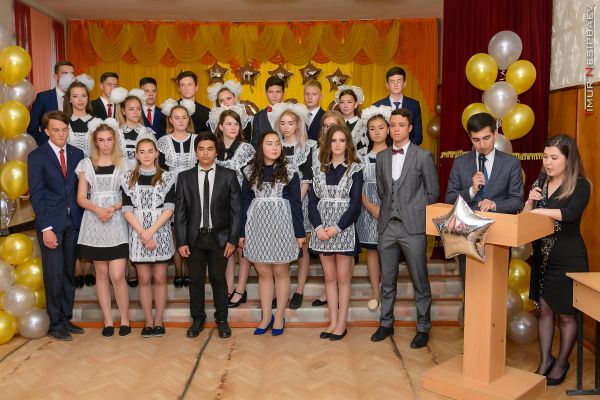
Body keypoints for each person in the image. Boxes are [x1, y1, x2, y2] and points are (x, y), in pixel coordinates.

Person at [524, 134, 591, 386]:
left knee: (566, 315)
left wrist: (541, 209)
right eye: (545, 157)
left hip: (568, 256)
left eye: (554, 157)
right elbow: (526, 218)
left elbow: (570, 214)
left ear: (568, 159)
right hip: (542, 256)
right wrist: (530, 201)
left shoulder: (581, 184)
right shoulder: (540, 181)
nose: (547, 162)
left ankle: (562, 362)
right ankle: (545, 360)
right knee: (544, 310)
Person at [370, 108, 439, 349]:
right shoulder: (382, 157)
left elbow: (432, 193)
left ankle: (423, 327)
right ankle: (386, 323)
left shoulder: (423, 156)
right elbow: (382, 191)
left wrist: (414, 211)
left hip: (413, 227)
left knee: (420, 279)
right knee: (387, 279)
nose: (396, 129)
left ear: (410, 128)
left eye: (401, 125)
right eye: (392, 125)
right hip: (387, 226)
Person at [445, 112, 524, 288]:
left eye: (486, 138)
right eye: (476, 140)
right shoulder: (460, 163)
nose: (482, 145)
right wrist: (471, 190)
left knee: (496, 289)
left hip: (499, 236)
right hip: (468, 237)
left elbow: (517, 200)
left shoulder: (511, 163)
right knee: (471, 290)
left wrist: (495, 204)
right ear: (470, 138)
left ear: (495, 133)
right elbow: (450, 198)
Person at [175, 131, 242, 339]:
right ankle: (198, 319)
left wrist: (232, 240)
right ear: (195, 152)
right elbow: (180, 213)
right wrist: (181, 241)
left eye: (210, 149)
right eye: (201, 149)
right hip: (194, 239)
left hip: (219, 238)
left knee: (218, 279)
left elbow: (236, 211)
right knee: (195, 280)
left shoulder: (228, 175)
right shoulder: (184, 177)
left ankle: (222, 320)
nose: (205, 153)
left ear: (216, 152)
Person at [28, 110, 85, 341]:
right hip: (51, 224)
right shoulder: (37, 156)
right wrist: (45, 228)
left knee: (69, 272)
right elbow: (36, 194)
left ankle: (66, 317)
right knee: (53, 274)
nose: (61, 134)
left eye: (64, 129)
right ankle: (55, 323)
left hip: (74, 222)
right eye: (56, 130)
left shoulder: (77, 153)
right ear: (46, 131)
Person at [240, 131, 305, 336]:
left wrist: (299, 233)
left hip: (283, 226)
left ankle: (279, 316)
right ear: (261, 147)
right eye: (270, 143)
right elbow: (244, 203)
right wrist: (241, 232)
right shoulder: (249, 171)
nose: (275, 147)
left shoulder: (290, 170)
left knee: (280, 271)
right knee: (263, 272)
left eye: (278, 143)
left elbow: (296, 203)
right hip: (257, 226)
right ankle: (266, 315)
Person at [75, 120, 130, 337]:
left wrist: (114, 207)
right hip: (95, 221)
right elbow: (81, 198)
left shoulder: (124, 163)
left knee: (117, 274)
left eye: (109, 140)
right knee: (101, 273)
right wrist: (98, 209)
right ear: (95, 142)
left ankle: (124, 319)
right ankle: (108, 320)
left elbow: (129, 195)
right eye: (101, 140)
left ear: (114, 141)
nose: (106, 144)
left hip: (116, 220)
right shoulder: (86, 164)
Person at [309, 124, 363, 341]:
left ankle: (342, 324)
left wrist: (337, 228)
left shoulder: (355, 169)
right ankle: (332, 322)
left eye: (342, 140)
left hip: (343, 229)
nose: (338, 144)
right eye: (333, 140)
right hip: (322, 231)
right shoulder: (319, 169)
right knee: (329, 278)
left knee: (343, 278)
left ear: (347, 143)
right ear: (328, 144)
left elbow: (355, 204)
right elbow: (312, 202)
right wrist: (319, 228)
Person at [121, 137, 176, 338]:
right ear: (136, 154)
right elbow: (127, 209)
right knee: (144, 279)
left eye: (150, 151)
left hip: (160, 230)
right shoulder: (128, 178)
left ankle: (159, 321)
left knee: (160, 279)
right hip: (138, 232)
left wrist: (151, 232)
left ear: (156, 154)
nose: (146, 155)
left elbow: (169, 208)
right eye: (142, 152)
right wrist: (143, 234)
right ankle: (148, 321)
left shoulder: (167, 177)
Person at [272, 103, 318, 310]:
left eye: (290, 123)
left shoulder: (308, 147)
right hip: (278, 205)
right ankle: (279, 291)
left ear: (298, 124)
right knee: (280, 247)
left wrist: (293, 204)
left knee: (302, 246)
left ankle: (299, 290)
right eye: (282, 123)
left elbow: (307, 179)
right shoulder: (275, 146)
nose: (286, 127)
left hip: (300, 202)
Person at [210, 108, 255, 308]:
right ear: (220, 126)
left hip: (241, 202)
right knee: (226, 246)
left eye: (237, 124)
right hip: (219, 204)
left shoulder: (246, 149)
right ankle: (228, 287)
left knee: (241, 247)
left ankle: (240, 289)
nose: (233, 127)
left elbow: (251, 179)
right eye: (229, 123)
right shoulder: (213, 148)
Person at [62, 77, 102, 288]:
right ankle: (77, 266)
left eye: (83, 96)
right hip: (70, 178)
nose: (79, 100)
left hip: (93, 176)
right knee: (74, 221)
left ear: (88, 98)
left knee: (93, 220)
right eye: (75, 96)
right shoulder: (63, 123)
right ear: (69, 99)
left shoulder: (96, 122)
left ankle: (91, 266)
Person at [157, 102, 198, 288]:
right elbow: (162, 169)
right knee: (175, 231)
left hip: (194, 190)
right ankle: (178, 271)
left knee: (191, 230)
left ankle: (190, 270)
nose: (180, 121)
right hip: (171, 190)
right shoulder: (163, 142)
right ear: (170, 120)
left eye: (184, 117)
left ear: (188, 119)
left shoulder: (197, 139)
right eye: (176, 118)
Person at [356, 106, 392, 311]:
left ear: (388, 129)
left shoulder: (395, 155)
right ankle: (375, 292)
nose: (377, 132)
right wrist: (370, 207)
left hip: (390, 208)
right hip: (367, 209)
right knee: (372, 250)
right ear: (367, 131)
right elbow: (357, 187)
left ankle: (387, 291)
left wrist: (385, 208)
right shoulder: (361, 157)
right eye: (372, 129)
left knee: (387, 250)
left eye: (381, 127)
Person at [310, 110, 346, 308]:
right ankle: (329, 290)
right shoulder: (317, 151)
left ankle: (341, 289)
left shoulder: (347, 151)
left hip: (343, 210)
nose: (329, 129)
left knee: (343, 261)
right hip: (323, 208)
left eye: (333, 125)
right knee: (328, 262)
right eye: (326, 126)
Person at [28, 61, 75, 144]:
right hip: (48, 147)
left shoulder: (77, 98)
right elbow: (32, 127)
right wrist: (42, 144)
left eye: (72, 74)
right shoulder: (43, 97)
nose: (69, 77)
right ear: (56, 76)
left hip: (73, 147)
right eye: (65, 73)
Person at [373, 66, 423, 145]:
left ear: (404, 84)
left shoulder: (414, 105)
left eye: (399, 81)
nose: (395, 85)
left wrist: (403, 147)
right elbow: (374, 135)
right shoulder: (377, 106)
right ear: (387, 85)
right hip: (384, 149)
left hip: (408, 150)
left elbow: (418, 136)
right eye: (392, 81)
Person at [115, 91, 158, 171]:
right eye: (131, 109)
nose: (136, 112)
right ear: (123, 111)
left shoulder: (147, 132)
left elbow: (154, 157)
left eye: (138, 109)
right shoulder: (117, 133)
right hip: (120, 174)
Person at [159, 71, 210, 135]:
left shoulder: (206, 112)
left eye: (189, 84)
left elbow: (208, 136)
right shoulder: (170, 109)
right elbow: (164, 134)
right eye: (183, 85)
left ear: (196, 87)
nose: (186, 88)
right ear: (179, 88)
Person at [334, 85, 368, 157]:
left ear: (355, 104)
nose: (345, 106)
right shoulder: (335, 123)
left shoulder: (363, 124)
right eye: (342, 102)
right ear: (339, 104)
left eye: (349, 102)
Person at [251, 76, 285, 147]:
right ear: (266, 93)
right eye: (271, 92)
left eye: (278, 92)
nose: (274, 96)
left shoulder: (291, 114)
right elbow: (255, 144)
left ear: (283, 94)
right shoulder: (258, 117)